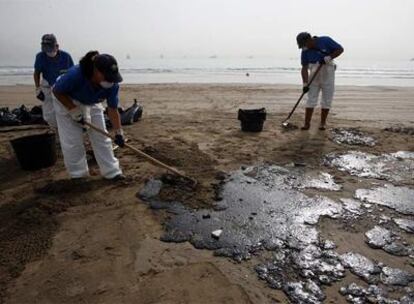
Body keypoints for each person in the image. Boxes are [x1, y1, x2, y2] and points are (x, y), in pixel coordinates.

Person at [52, 51, 125, 180]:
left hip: (91, 101)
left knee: (102, 136)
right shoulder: (75, 75)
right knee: (73, 140)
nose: (110, 81)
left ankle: (112, 172)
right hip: (67, 98)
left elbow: (112, 109)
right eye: (106, 76)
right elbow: (57, 91)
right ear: (95, 71)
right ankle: (78, 175)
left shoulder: (112, 84)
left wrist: (119, 132)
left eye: (111, 77)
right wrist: (73, 110)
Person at [296, 32, 344, 130]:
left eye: (304, 45)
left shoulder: (325, 40)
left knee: (327, 98)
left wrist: (329, 57)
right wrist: (305, 83)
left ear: (309, 40)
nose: (304, 47)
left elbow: (340, 49)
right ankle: (307, 124)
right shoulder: (305, 50)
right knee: (311, 99)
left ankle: (322, 123)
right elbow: (304, 67)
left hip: (327, 72)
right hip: (313, 73)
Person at [34, 34, 74, 128]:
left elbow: (72, 74)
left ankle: (66, 130)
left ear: (57, 46)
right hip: (47, 85)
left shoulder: (66, 57)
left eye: (51, 49)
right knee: (49, 115)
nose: (49, 53)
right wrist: (37, 88)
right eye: (47, 50)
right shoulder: (40, 56)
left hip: (63, 86)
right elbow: (37, 73)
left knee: (64, 111)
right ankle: (57, 129)